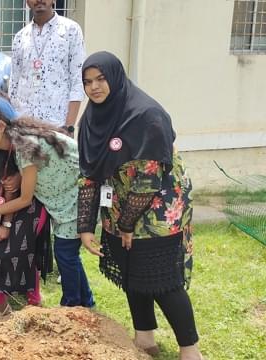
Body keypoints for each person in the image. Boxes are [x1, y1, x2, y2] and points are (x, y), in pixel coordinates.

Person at [77, 51, 201, 359]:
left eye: (101, 79)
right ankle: (144, 338)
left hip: (158, 209)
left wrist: (128, 224)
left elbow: (148, 179)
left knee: (163, 281)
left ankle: (191, 351)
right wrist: (85, 226)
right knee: (133, 274)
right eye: (87, 81)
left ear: (116, 77)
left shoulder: (146, 115)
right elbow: (89, 175)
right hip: (120, 208)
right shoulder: (92, 118)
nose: (94, 87)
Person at [0, 101, 95, 308]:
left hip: (77, 196)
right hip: (66, 199)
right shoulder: (15, 143)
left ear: (1, 126)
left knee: (65, 254)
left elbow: (25, 199)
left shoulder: (24, 146)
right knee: (68, 254)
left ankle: (72, 307)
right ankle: (85, 304)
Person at [9, 0, 84, 135]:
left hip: (57, 126)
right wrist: (15, 123)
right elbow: (14, 86)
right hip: (25, 127)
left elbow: (77, 81)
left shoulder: (71, 30)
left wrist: (69, 127)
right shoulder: (20, 37)